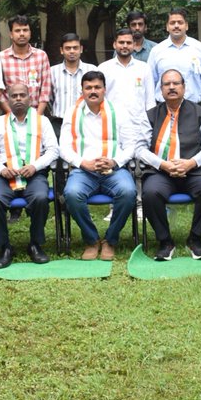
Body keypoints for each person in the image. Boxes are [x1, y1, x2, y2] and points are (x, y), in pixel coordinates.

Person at [136, 70, 201, 260]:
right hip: (162, 173)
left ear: (184, 87)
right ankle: (165, 241)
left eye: (176, 83)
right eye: (167, 84)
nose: (171, 87)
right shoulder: (150, 115)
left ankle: (195, 239)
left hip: (193, 172)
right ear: (161, 89)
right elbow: (139, 149)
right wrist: (163, 164)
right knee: (150, 193)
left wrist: (191, 163)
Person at [60, 71, 138, 260]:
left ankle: (110, 240)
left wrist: (114, 161)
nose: (93, 91)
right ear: (82, 90)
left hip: (113, 170)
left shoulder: (118, 111)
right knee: (71, 194)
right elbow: (63, 147)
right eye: (88, 88)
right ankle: (91, 239)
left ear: (104, 89)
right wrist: (82, 163)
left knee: (128, 192)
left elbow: (131, 144)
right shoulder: (72, 112)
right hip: (84, 171)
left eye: (97, 87)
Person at [0, 82, 61, 268]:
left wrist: (35, 166)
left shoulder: (42, 121)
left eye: (22, 95)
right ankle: (4, 248)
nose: (18, 98)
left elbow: (53, 150)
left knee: (41, 198)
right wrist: (1, 169)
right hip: (5, 175)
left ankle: (35, 244)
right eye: (14, 96)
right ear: (8, 100)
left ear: (30, 98)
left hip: (33, 174)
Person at [146, 8, 201, 103]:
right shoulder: (157, 51)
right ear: (167, 27)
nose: (176, 26)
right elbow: (151, 80)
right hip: (164, 107)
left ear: (186, 26)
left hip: (193, 106)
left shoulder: (200, 48)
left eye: (180, 22)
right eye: (172, 23)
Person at [97, 28, 154, 127]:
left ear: (134, 45)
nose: (125, 46)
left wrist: (151, 123)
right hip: (111, 125)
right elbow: (99, 99)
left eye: (128, 43)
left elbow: (150, 101)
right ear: (115, 44)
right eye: (121, 42)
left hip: (139, 126)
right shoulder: (103, 68)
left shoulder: (144, 68)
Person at [0, 15, 52, 116]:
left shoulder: (41, 56)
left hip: (37, 113)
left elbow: (45, 90)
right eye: (17, 31)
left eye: (25, 30)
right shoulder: (1, 58)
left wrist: (37, 117)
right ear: (11, 34)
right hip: (9, 114)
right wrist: (11, 115)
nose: (22, 34)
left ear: (30, 33)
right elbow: (0, 92)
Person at [48, 32, 96, 133]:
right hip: (59, 123)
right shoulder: (52, 72)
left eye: (75, 48)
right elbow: (49, 98)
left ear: (81, 49)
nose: (72, 51)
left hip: (87, 122)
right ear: (61, 50)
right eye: (68, 48)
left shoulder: (92, 70)